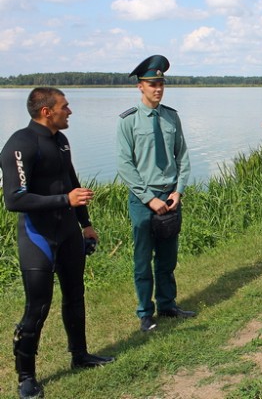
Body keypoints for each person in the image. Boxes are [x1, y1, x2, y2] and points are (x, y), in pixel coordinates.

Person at [0, 87, 114, 399]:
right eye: (65, 106)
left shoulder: (61, 141)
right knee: (37, 307)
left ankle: (80, 355)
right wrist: (65, 199)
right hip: (38, 236)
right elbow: (14, 199)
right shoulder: (20, 144)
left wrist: (85, 223)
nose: (70, 111)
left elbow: (72, 183)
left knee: (75, 296)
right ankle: (26, 377)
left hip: (68, 234)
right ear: (46, 111)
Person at [117, 55, 195, 332]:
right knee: (142, 260)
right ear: (140, 86)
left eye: (161, 83)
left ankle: (168, 304)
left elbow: (182, 157)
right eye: (152, 83)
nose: (158, 88)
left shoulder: (171, 117)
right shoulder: (128, 122)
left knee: (167, 258)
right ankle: (145, 313)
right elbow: (125, 165)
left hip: (170, 197)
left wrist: (178, 192)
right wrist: (149, 198)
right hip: (143, 201)